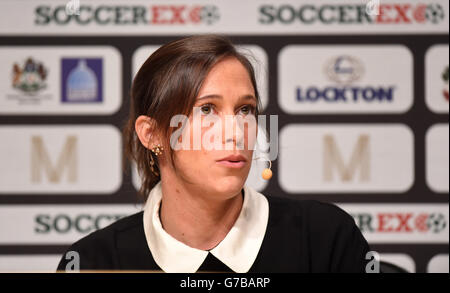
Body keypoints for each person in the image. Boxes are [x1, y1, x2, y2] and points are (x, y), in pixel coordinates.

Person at [57, 35, 371, 273]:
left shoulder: (326, 238)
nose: (236, 131)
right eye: (207, 109)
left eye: (245, 110)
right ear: (151, 134)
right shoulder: (93, 261)